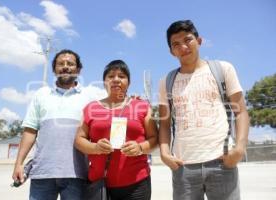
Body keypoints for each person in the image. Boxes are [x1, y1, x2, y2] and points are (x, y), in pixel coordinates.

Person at [158, 20, 249, 200]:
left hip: (222, 162)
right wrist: (164, 153)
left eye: (188, 39)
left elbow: (241, 112)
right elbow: (165, 123)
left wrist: (239, 148)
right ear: (171, 51)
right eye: (176, 44)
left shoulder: (223, 69)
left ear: (199, 41)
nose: (183, 46)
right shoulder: (166, 81)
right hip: (183, 166)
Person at [12, 49, 96, 200]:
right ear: (54, 69)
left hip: (76, 174)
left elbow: (101, 128)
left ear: (78, 69)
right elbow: (30, 131)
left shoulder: (89, 98)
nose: (65, 66)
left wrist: (129, 101)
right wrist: (19, 163)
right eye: (60, 64)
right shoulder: (41, 95)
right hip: (42, 173)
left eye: (70, 64)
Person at [75, 60, 158, 200]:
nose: (116, 80)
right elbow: (78, 140)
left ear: (129, 82)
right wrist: (95, 147)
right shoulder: (91, 108)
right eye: (111, 76)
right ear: (104, 82)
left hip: (136, 183)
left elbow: (154, 138)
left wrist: (140, 147)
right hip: (99, 183)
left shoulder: (142, 106)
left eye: (121, 76)